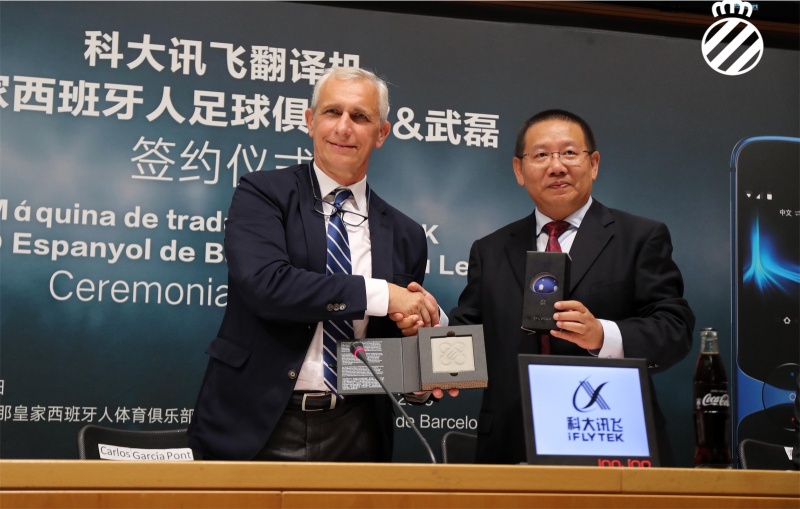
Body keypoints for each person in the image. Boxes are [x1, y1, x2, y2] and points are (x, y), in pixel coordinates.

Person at [188, 66, 441, 462]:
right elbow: (267, 286)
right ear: (310, 121)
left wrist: (419, 378)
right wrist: (382, 294)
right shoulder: (263, 193)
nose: (343, 127)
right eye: (332, 112)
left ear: (381, 134)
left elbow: (385, 350)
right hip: (255, 422)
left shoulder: (406, 234)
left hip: (357, 430)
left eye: (360, 117)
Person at [446, 109, 695, 465]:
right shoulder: (491, 250)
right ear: (519, 170)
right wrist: (428, 324)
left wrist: (601, 335)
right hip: (512, 442)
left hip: (608, 431)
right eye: (541, 155)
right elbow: (469, 337)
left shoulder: (640, 237)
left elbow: (674, 328)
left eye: (569, 153)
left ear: (593, 164)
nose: (556, 166)